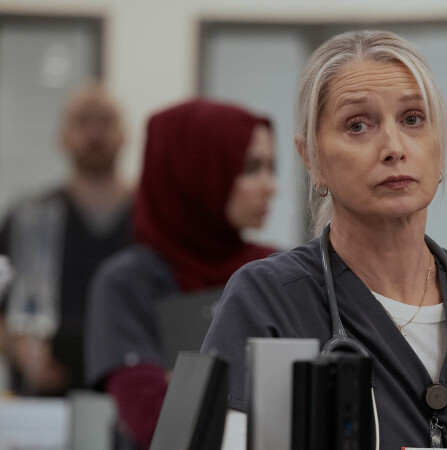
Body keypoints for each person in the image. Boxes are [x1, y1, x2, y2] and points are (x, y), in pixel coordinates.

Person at [202, 30, 447, 449]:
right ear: (312, 159)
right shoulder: (270, 300)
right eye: (357, 125)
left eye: (413, 119)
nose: (394, 148)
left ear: (440, 146)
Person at [85, 100, 277, 449]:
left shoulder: (274, 270)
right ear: (197, 171)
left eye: (271, 167)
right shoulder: (128, 283)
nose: (271, 186)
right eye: (250, 168)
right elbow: (160, 424)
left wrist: (189, 389)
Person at [0, 82, 132, 396]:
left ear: (125, 135)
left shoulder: (153, 220)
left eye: (106, 121)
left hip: (131, 393)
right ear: (62, 136)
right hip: (45, 400)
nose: (95, 133)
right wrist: (21, 352)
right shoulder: (28, 218)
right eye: (83, 121)